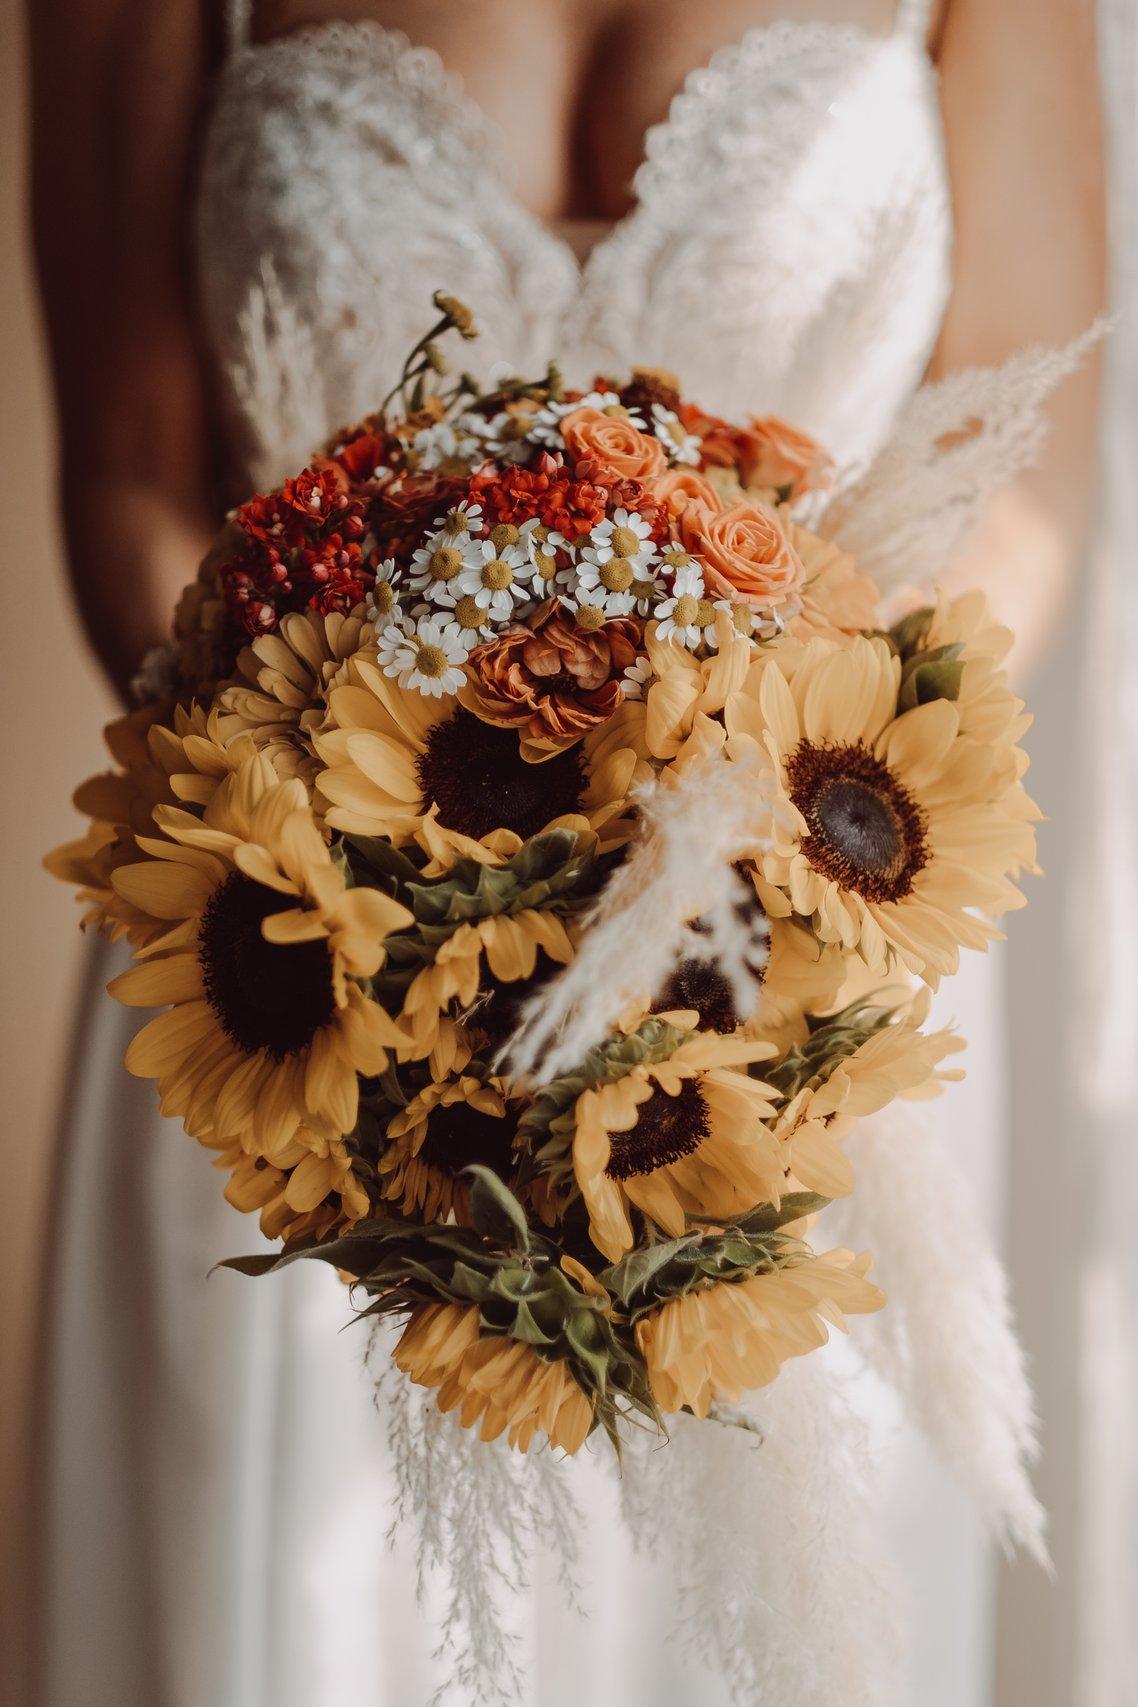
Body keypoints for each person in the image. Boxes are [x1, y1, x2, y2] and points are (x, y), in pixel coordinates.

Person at [26, 3, 1105, 1704]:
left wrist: (758, 856)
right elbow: (130, 469)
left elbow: (1021, 476)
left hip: (773, 996)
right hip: (303, 997)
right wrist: (352, 870)